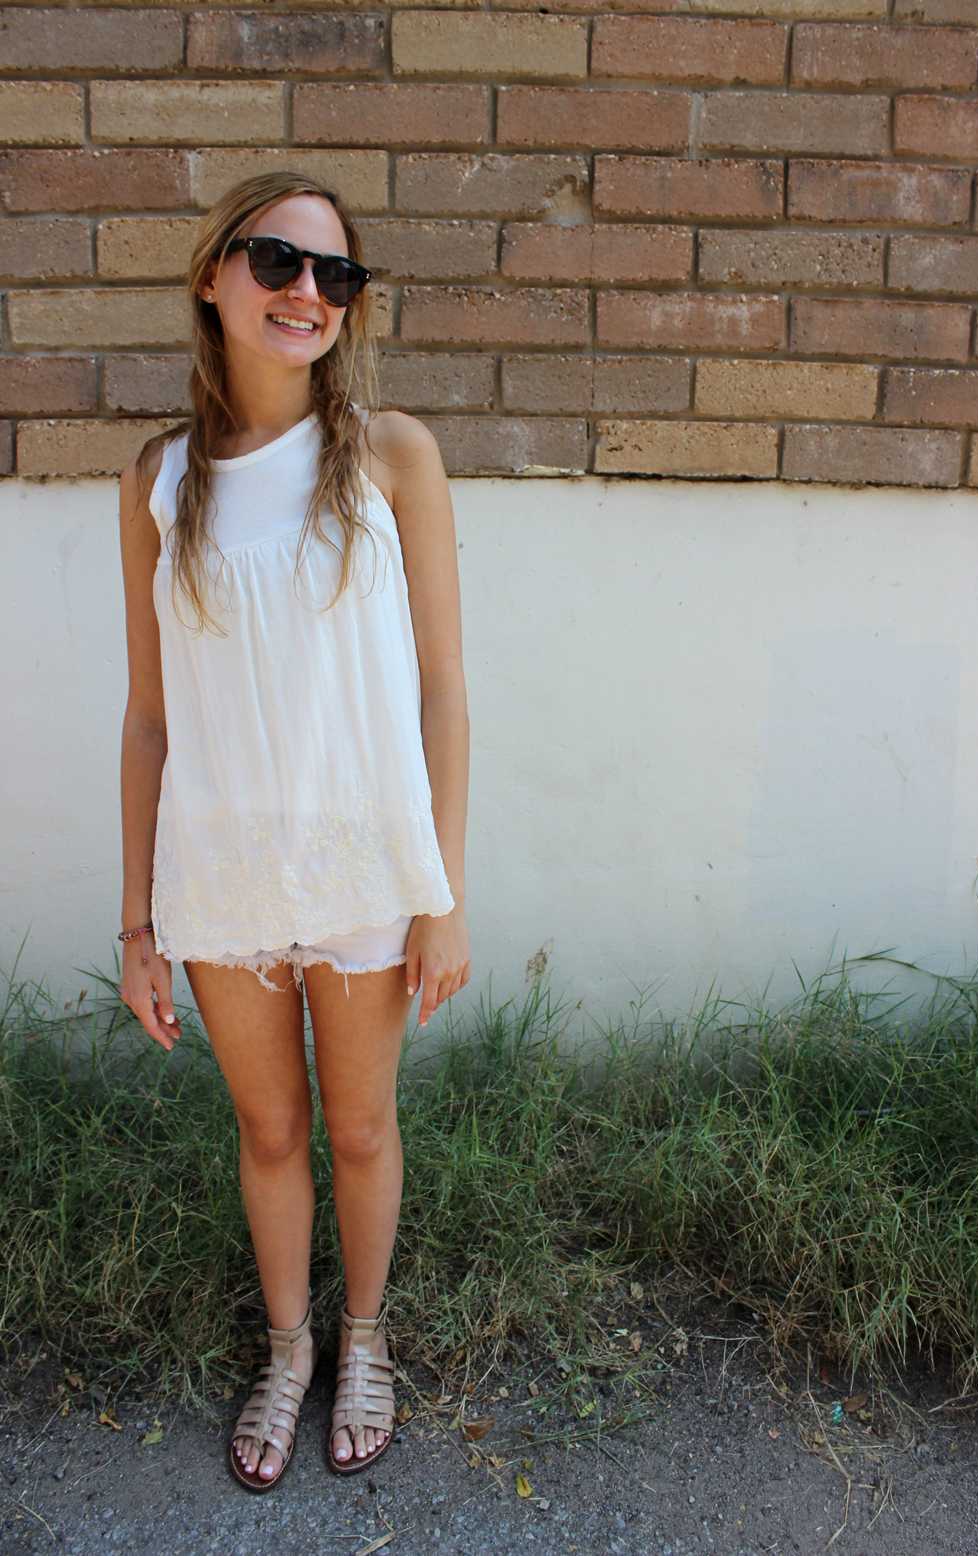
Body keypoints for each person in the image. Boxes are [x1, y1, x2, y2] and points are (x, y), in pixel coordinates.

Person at [116, 170, 471, 1492]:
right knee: (269, 1135)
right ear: (214, 277)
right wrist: (140, 919)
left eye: (336, 275)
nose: (307, 293)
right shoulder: (158, 479)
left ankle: (363, 1340)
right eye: (277, 262)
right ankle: (287, 1349)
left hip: (369, 865)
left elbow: (442, 689)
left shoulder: (390, 456)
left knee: (363, 1130)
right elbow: (149, 720)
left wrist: (441, 891)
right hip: (219, 873)